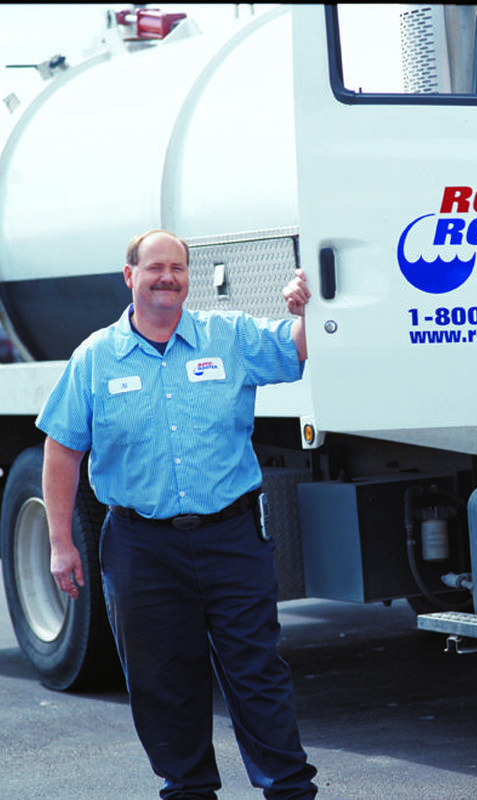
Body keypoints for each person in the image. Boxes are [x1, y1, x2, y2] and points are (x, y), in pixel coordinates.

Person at [36, 229, 318, 800]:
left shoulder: (229, 336)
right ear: (129, 275)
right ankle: (188, 790)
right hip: (141, 547)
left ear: (189, 277)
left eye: (178, 268)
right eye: (155, 267)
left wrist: (308, 309)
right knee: (163, 681)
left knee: (256, 673)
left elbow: (298, 346)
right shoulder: (96, 357)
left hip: (232, 536)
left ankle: (288, 790)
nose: (168, 277)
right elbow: (62, 449)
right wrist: (60, 541)